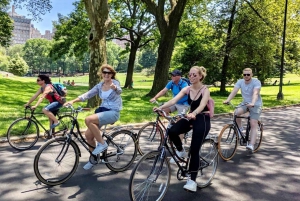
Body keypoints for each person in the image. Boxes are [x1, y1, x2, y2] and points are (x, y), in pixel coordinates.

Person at [154, 66, 211, 192]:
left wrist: (194, 113)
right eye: (190, 75)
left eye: (194, 75)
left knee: (195, 149)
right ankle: (181, 151)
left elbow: (202, 105)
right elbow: (174, 100)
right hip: (191, 116)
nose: (191, 77)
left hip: (202, 118)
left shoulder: (204, 90)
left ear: (200, 76)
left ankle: (192, 181)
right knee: (172, 131)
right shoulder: (187, 89)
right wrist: (161, 108)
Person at [64, 64, 122, 170]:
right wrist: (72, 101)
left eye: (109, 73)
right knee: (88, 136)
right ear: (102, 74)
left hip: (113, 112)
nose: (106, 74)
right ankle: (94, 159)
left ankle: (102, 144)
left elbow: (119, 90)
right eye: (104, 72)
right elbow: (88, 94)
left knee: (88, 119)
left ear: (112, 74)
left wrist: (114, 88)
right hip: (103, 111)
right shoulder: (100, 85)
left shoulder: (115, 83)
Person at [223, 68, 263, 152]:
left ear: (251, 75)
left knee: (253, 123)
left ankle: (251, 145)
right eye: (244, 74)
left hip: (255, 104)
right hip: (245, 103)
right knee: (236, 112)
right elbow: (234, 91)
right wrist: (228, 100)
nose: (246, 76)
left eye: (248, 74)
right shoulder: (240, 81)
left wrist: (252, 102)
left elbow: (255, 93)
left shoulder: (256, 82)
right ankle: (240, 128)